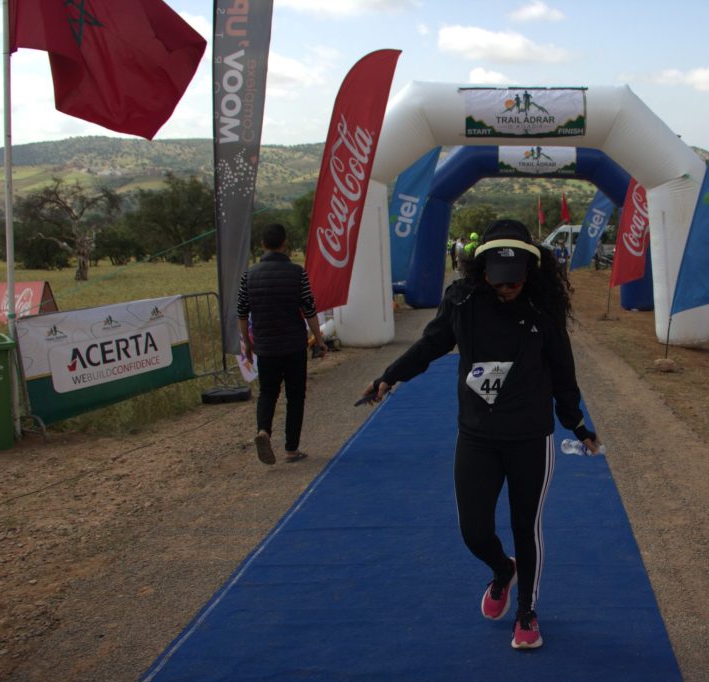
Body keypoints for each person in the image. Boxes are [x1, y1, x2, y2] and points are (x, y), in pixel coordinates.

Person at [361, 218, 600, 651]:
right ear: (481, 271)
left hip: (530, 436)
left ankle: (526, 611)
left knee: (525, 526)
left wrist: (577, 424)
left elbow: (563, 373)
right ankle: (502, 569)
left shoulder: (543, 310)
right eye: (499, 281)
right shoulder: (462, 301)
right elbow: (430, 345)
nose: (507, 289)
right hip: (477, 435)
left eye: (515, 281)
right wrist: (389, 376)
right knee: (473, 530)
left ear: (530, 272)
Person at [237, 224, 327, 465]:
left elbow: (242, 313)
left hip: (265, 346)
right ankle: (291, 448)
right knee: (295, 396)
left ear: (262, 245)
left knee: (268, 392)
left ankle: (263, 430)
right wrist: (319, 340)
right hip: (294, 346)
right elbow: (309, 309)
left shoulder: (249, 275)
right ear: (285, 243)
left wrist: (248, 343)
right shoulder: (298, 273)